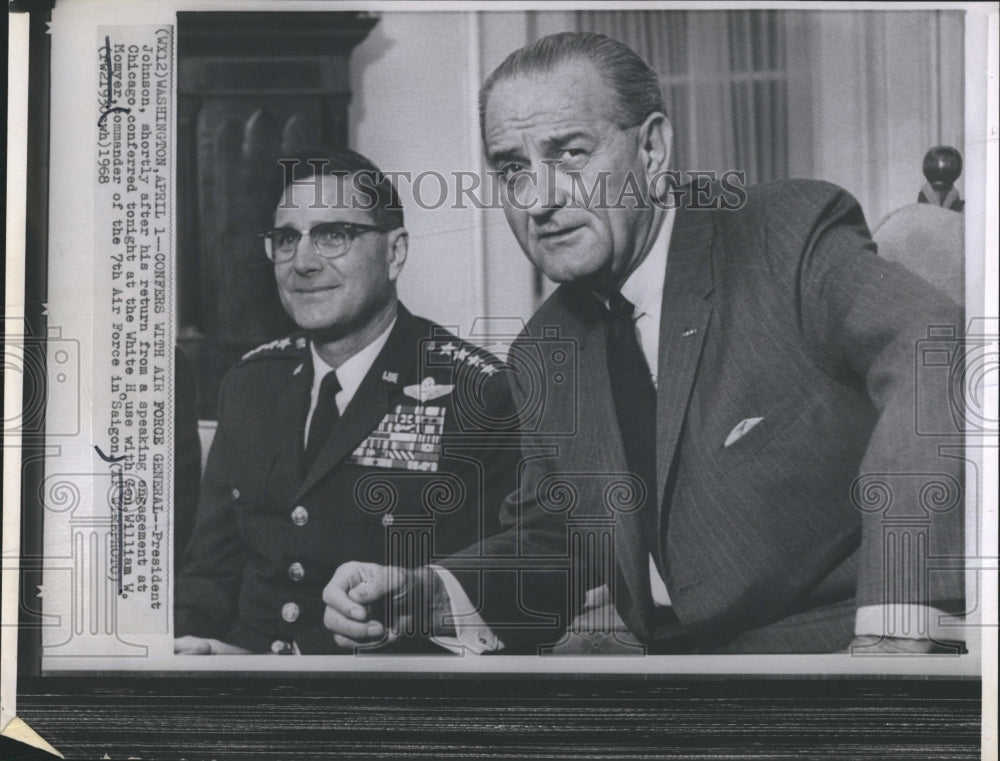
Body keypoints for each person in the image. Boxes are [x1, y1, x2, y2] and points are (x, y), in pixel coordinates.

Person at [321, 32, 966, 655]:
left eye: (570, 153)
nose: (540, 198)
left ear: (653, 150)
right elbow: (559, 541)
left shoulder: (783, 236)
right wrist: (433, 595)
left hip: (836, 655)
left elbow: (930, 345)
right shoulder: (545, 350)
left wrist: (903, 618)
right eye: (513, 169)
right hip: (669, 683)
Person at [174, 149, 518, 655]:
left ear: (395, 253)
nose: (304, 262)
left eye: (333, 235)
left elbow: (489, 602)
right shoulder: (251, 385)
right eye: (287, 240)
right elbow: (210, 570)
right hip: (237, 680)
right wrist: (183, 646)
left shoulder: (476, 392)